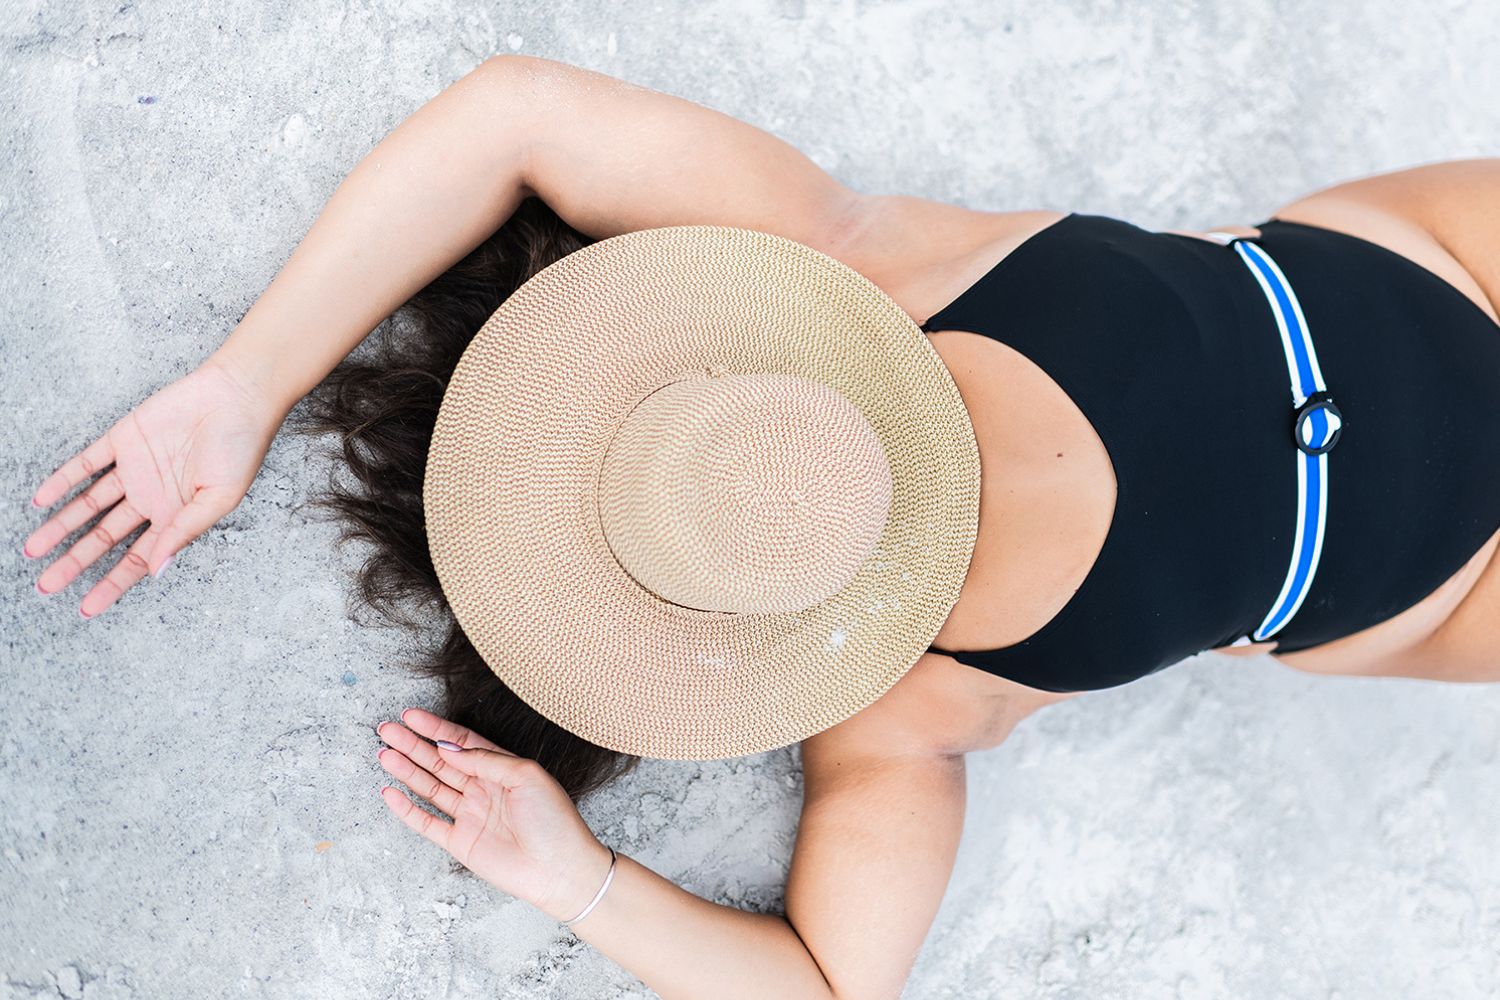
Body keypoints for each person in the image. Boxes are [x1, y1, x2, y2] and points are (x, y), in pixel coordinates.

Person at [20, 53, 1500, 998]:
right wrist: (243, 385)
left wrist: (577, 879)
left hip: (1434, 580)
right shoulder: (869, 266)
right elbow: (514, 111)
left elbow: (829, 992)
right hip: (1406, 273)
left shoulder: (908, 708)